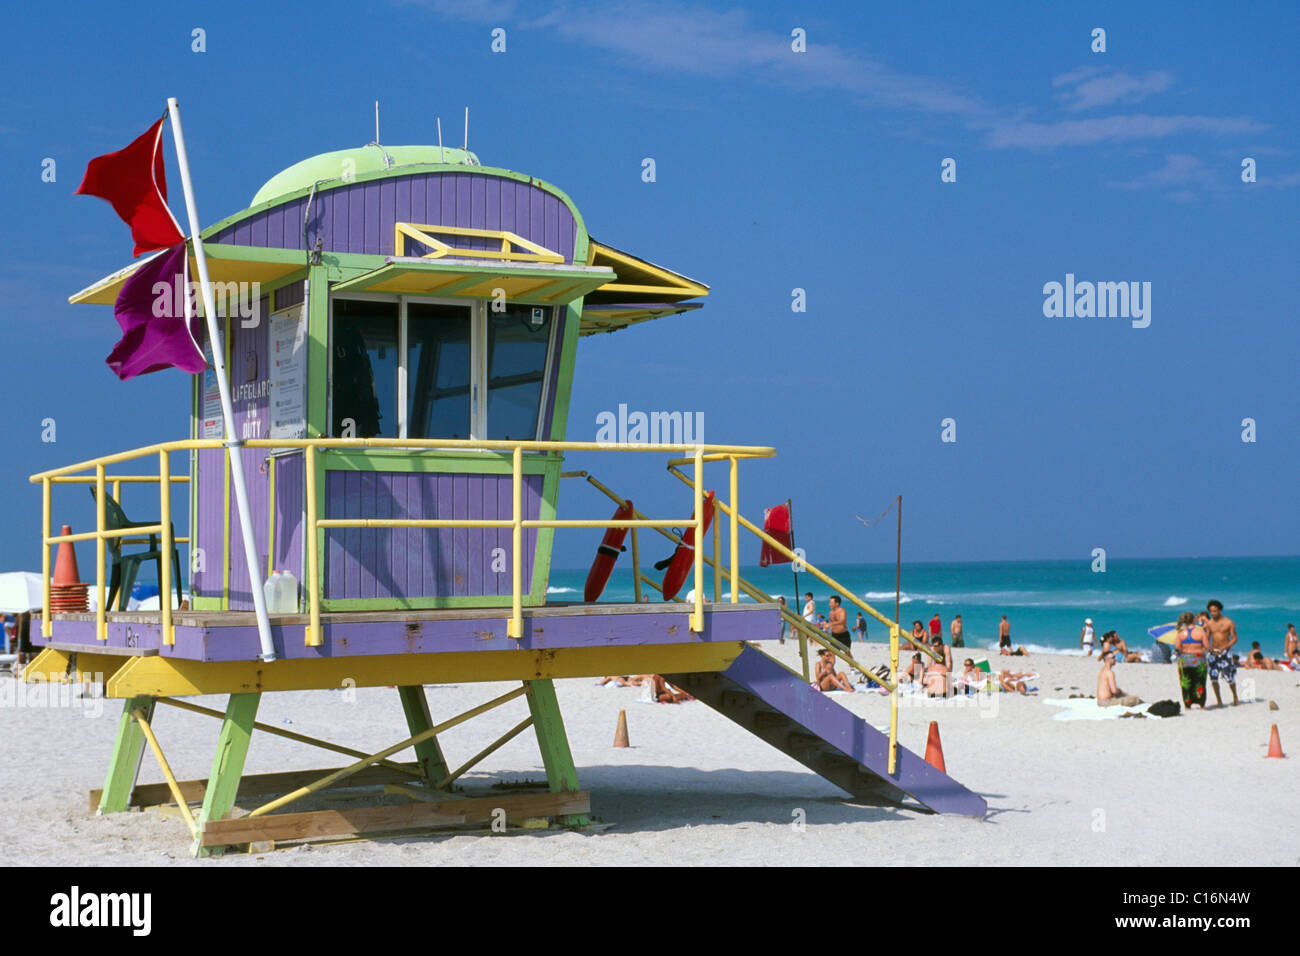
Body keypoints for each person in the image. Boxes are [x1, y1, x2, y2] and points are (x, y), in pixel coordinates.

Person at [1204, 599, 1239, 707]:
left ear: (1220, 610)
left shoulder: (1229, 622)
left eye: (1215, 611)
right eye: (1211, 611)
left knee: (1229, 677)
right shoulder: (1209, 623)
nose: (1213, 613)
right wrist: (1208, 648)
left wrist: (1225, 647)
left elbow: (1234, 638)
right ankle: (1219, 700)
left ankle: (1235, 696)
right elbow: (1206, 637)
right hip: (1213, 652)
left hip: (1225, 652)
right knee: (1213, 677)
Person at [1173, 611, 1208, 710]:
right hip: (1198, 659)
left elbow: (1177, 647)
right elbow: (1206, 646)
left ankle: (1187, 706)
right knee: (1200, 682)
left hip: (1184, 660)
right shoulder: (1200, 632)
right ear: (1194, 620)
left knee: (1186, 683)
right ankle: (1201, 705)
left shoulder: (1180, 633)